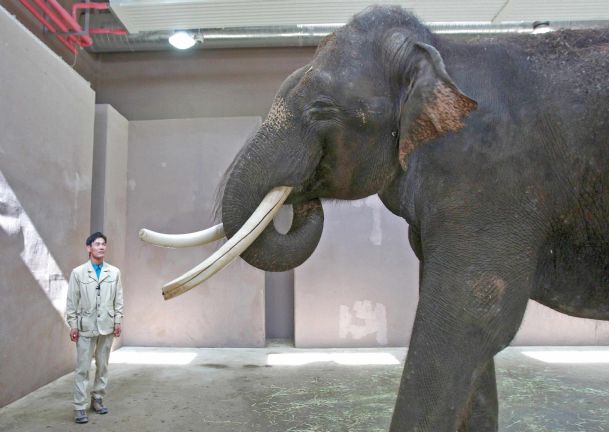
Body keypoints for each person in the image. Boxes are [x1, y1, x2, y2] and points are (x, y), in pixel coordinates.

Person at [65, 232, 124, 424]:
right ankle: (79, 406)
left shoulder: (114, 272)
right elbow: (72, 302)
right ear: (89, 248)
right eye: (97, 244)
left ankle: (97, 398)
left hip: (106, 326)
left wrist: (117, 321)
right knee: (82, 368)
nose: (102, 247)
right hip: (85, 327)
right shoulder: (78, 273)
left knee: (103, 366)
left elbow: (119, 300)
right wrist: (73, 325)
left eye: (104, 244)